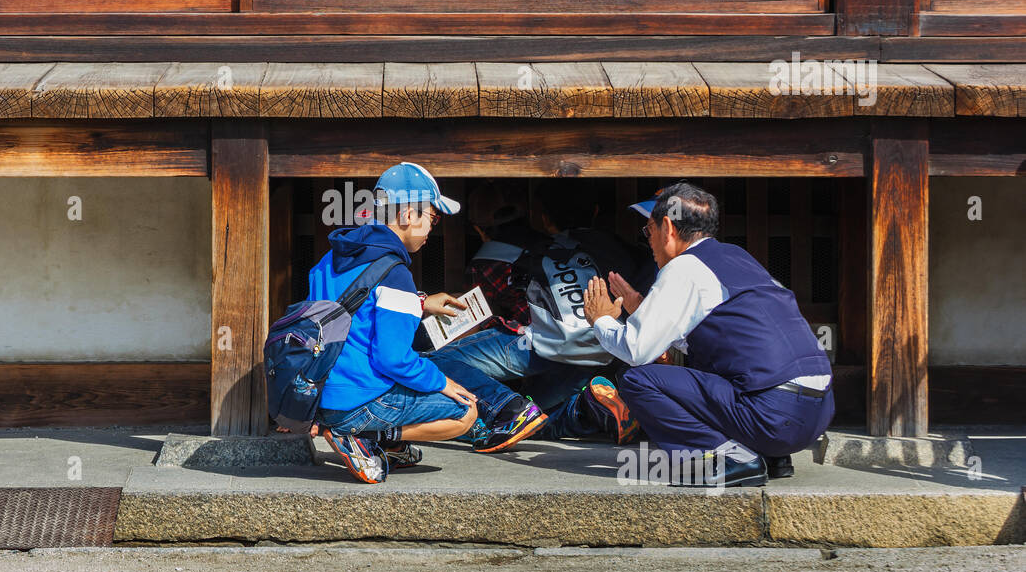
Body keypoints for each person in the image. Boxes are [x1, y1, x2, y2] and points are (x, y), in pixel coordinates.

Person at [310, 163, 549, 483]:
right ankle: (364, 436)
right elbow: (393, 359)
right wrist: (442, 382)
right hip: (361, 400)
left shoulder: (332, 258)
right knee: (466, 413)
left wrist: (420, 302)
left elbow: (353, 309)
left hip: (323, 397)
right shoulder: (396, 274)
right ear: (408, 215)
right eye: (432, 218)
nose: (432, 228)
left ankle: (373, 438)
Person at [584, 182, 835, 487]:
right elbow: (724, 338)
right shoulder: (737, 257)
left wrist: (601, 320)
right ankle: (771, 456)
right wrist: (641, 312)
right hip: (817, 414)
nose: (648, 241)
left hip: (772, 415)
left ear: (667, 227)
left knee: (638, 379)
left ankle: (728, 457)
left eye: (648, 230)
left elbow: (635, 350)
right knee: (707, 365)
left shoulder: (683, 268)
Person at [430, 182, 649, 446]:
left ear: (478, 229)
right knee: (537, 416)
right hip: (602, 348)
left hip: (537, 346)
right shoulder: (572, 244)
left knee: (437, 362)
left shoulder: (487, 261)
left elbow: (477, 320)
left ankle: (507, 405)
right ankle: (589, 408)